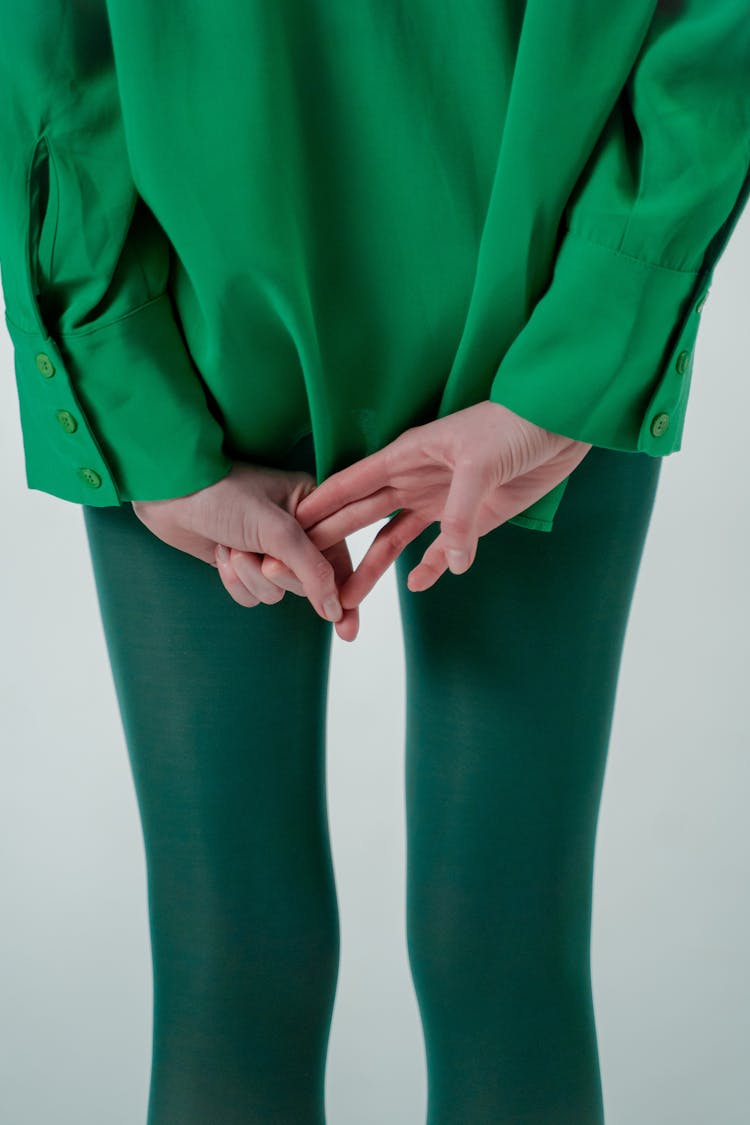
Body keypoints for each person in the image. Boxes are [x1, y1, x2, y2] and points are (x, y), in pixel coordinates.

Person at [1, 2, 748, 1122]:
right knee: (490, 947)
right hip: (540, 292)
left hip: (206, 305)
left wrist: (127, 388)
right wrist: (596, 327)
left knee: (244, 952)